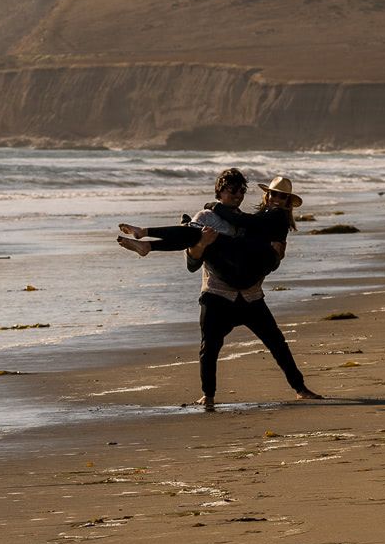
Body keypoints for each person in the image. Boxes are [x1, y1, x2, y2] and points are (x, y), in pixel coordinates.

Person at [117, 168, 319, 411]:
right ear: (220, 191)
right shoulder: (206, 216)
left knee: (276, 342)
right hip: (218, 294)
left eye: (241, 191)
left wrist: (217, 210)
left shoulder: (254, 219)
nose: (237, 195)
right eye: (231, 191)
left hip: (250, 293)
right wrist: (201, 243)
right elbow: (192, 264)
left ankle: (300, 389)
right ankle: (208, 396)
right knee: (209, 347)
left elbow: (259, 247)